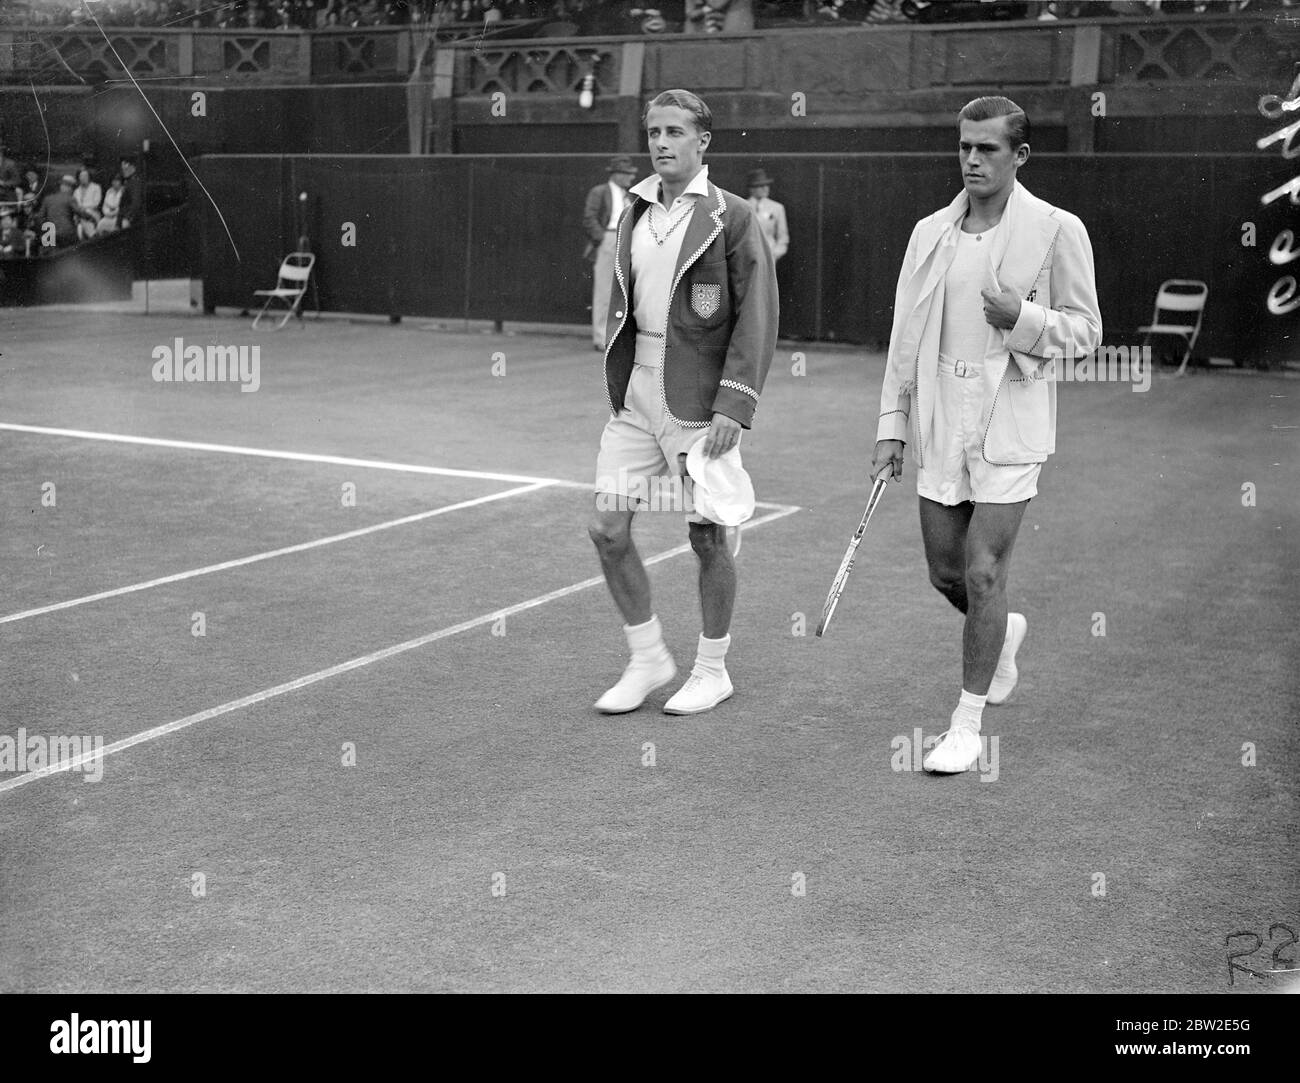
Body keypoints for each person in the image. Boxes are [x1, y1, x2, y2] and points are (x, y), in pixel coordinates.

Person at [869, 95, 1101, 774]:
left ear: (1019, 155)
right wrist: (891, 426)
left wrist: (1022, 318)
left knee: (984, 570)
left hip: (1011, 419)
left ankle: (965, 725)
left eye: (988, 148)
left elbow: (1087, 332)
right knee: (946, 572)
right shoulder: (928, 233)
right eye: (964, 147)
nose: (972, 159)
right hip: (940, 414)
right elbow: (904, 338)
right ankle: (1004, 632)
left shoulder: (1058, 229)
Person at [589, 88, 778, 717]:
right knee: (606, 528)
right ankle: (648, 659)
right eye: (654, 132)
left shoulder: (732, 215)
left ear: (703, 141)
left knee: (707, 537)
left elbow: (757, 315)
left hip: (698, 400)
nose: (662, 143)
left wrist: (734, 404)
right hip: (636, 396)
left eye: (674, 132)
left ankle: (712, 670)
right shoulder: (634, 211)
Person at [582, 154, 637, 351]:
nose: (631, 178)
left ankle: (618, 336)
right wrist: (603, 238)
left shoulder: (630, 195)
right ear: (616, 174)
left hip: (628, 240)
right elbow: (589, 218)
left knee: (627, 290)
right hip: (609, 238)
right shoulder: (600, 192)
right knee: (604, 291)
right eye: (627, 174)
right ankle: (601, 337)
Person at [746, 168, 788, 262]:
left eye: (766, 185)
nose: (765, 188)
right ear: (752, 189)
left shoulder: (777, 208)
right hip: (748, 258)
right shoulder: (743, 207)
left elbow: (783, 238)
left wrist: (774, 255)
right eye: (760, 186)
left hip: (770, 257)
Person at [39, 174, 81, 248]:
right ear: (69, 188)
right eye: (72, 188)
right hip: (67, 233)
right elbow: (80, 213)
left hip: (50, 233)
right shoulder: (70, 198)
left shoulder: (47, 199)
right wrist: (92, 218)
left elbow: (40, 217)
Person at [73, 167, 102, 241]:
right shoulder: (76, 191)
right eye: (81, 176)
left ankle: (92, 236)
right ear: (78, 178)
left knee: (82, 217)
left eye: (85, 176)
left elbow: (96, 204)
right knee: (79, 221)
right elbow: (74, 205)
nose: (83, 178)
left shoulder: (96, 187)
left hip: (93, 214)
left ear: (89, 177)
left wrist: (83, 208)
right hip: (79, 215)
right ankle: (92, 236)